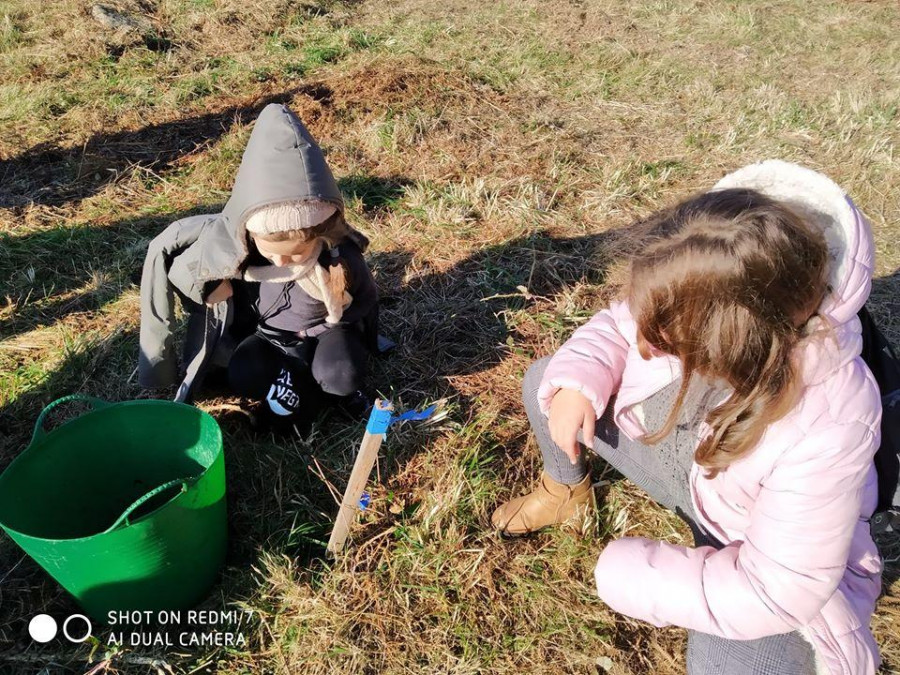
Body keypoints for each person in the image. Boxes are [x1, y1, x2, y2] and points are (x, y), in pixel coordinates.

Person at [491, 160, 883, 674]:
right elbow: (617, 323)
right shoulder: (708, 280)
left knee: (741, 666)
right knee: (552, 378)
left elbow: (778, 590)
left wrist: (633, 575)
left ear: (735, 335)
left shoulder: (831, 419)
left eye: (667, 329)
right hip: (693, 469)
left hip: (751, 542)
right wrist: (577, 383)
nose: (647, 336)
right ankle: (564, 492)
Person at [138, 103, 380, 431]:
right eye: (272, 252)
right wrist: (210, 289)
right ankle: (295, 383)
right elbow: (183, 268)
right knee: (242, 372)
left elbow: (366, 299)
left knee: (342, 375)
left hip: (327, 332)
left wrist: (337, 321)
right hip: (272, 336)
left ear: (319, 235)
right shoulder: (240, 250)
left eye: (295, 254)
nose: (281, 262)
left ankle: (332, 392)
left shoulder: (339, 256)